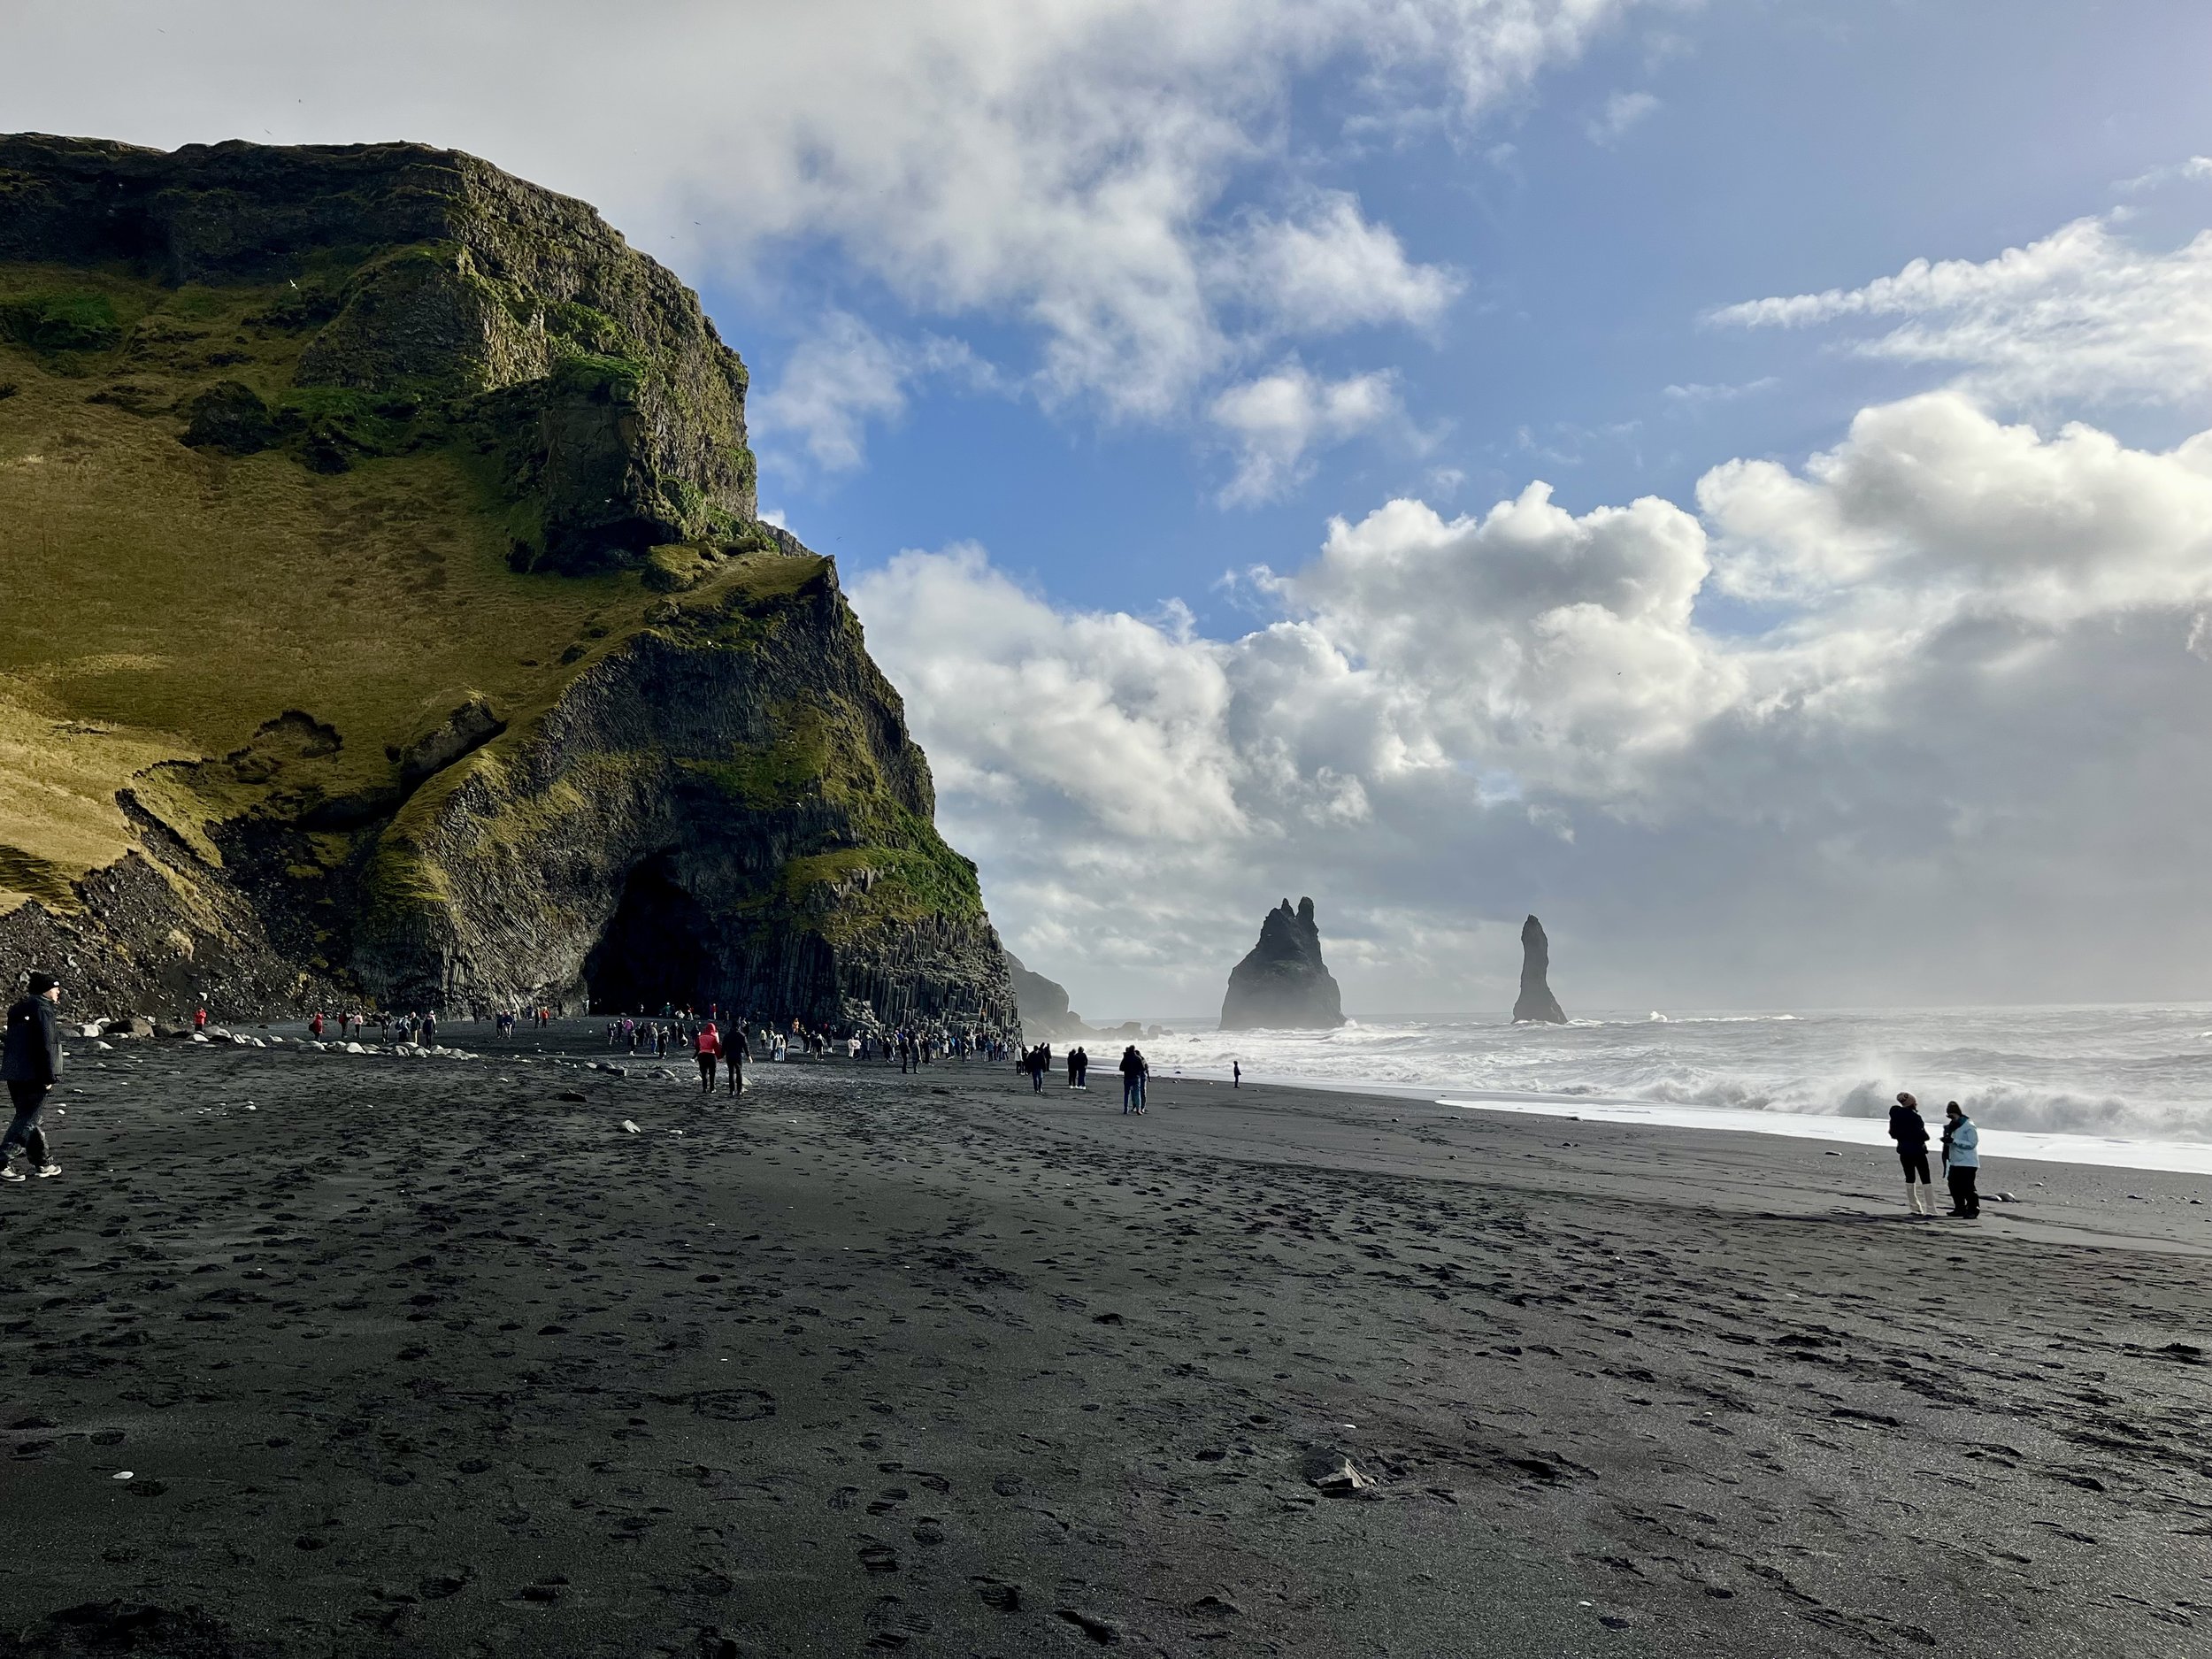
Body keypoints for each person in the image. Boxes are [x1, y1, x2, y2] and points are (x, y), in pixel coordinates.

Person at [1, 972, 65, 1182]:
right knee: (27, 1120)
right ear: (44, 990)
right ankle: (2, 1161)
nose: (58, 991)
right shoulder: (43, 1010)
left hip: (15, 1073)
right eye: (55, 987)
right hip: (35, 1075)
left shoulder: (19, 1008)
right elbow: (47, 1045)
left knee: (30, 1118)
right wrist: (50, 1076)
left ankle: (43, 1163)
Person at [1888, 1092, 1935, 1217]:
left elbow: (1892, 1134)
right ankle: (1930, 1208)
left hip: (1903, 1149)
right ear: (1912, 1103)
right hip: (1918, 1150)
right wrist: (1924, 1137)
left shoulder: (1895, 1116)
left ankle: (1915, 1207)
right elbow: (1922, 1134)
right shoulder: (1915, 1117)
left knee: (1910, 1178)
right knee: (1925, 1178)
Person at [1941, 1102, 1980, 1218]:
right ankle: (1959, 1208)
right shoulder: (1952, 1127)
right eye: (1949, 1116)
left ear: (1958, 1114)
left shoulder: (1969, 1126)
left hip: (1968, 1162)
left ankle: (1974, 1209)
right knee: (1953, 1185)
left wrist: (1954, 1141)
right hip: (1955, 1161)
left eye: (1952, 1116)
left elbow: (1973, 1143)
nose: (1951, 1118)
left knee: (1967, 1187)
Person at [1118, 1044, 1148, 1116]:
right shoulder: (1138, 1058)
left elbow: (1121, 1068)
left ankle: (1126, 1109)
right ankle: (1138, 1109)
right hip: (1136, 1077)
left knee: (1126, 1094)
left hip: (1127, 1077)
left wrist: (1127, 1069)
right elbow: (1143, 1068)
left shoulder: (1126, 1058)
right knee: (1137, 1094)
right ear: (1134, 1050)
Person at [726, 1021, 753, 1097]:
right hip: (738, 1055)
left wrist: (721, 1056)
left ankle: (732, 1091)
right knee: (739, 1072)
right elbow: (745, 1047)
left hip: (729, 1055)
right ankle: (739, 1090)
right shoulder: (742, 1035)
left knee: (731, 1073)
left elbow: (724, 1046)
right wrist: (749, 1056)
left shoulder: (728, 1035)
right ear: (739, 1027)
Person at [695, 1020, 722, 1093]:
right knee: (712, 1073)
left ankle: (704, 1088)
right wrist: (719, 1057)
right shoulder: (713, 1038)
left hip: (702, 1055)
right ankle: (712, 1088)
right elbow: (716, 1048)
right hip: (711, 1055)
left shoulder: (700, 1037)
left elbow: (697, 1046)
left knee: (704, 1073)